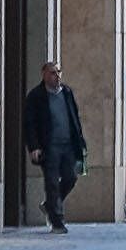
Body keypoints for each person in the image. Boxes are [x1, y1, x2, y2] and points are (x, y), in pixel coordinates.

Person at [24, 62, 86, 230]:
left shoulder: (66, 92)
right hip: (48, 146)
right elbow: (30, 124)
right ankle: (57, 221)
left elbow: (74, 118)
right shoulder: (36, 96)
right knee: (51, 182)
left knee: (70, 178)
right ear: (44, 75)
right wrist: (34, 147)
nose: (57, 76)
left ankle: (50, 205)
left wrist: (80, 143)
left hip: (68, 146)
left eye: (58, 72)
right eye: (52, 73)